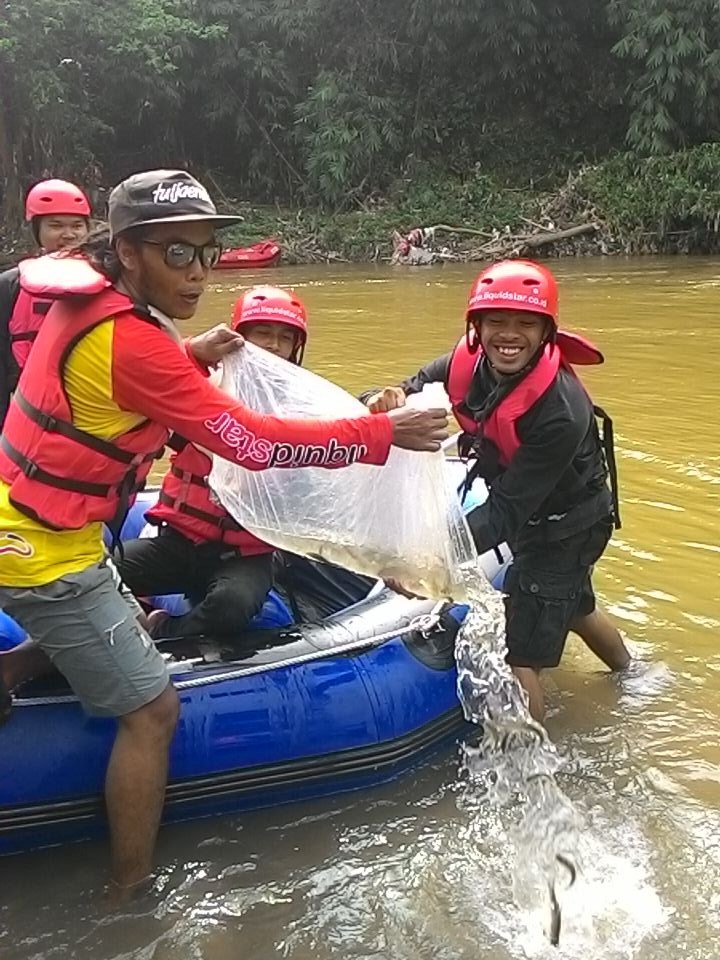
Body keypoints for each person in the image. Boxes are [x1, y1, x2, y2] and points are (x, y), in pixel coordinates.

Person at [0, 168, 448, 894]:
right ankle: (129, 895)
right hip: (43, 548)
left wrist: (188, 356)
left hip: (41, 523)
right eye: (178, 254)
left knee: (138, 619)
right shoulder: (133, 340)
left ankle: (12, 674)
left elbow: (110, 380)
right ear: (129, 251)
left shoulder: (99, 304)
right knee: (153, 710)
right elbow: (252, 443)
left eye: (208, 251)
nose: (199, 271)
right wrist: (383, 431)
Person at [362, 259, 631, 721]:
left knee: (519, 656)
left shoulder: (560, 411)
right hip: (540, 511)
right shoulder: (463, 364)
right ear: (477, 328)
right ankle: (633, 678)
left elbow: (505, 512)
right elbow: (408, 389)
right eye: (496, 323)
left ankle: (534, 774)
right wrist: (381, 401)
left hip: (569, 525)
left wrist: (422, 556)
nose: (509, 335)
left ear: (546, 332)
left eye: (526, 323)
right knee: (574, 605)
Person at [118, 285, 314, 639]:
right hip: (179, 543)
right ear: (240, 338)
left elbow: (348, 435)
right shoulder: (204, 390)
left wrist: (381, 407)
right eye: (263, 334)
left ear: (294, 349)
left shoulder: (304, 410)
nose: (273, 345)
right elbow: (154, 375)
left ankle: (165, 631)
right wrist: (194, 351)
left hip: (245, 555)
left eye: (284, 338)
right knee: (98, 575)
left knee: (231, 605)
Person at [0, 179, 92, 427]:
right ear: (37, 231)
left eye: (77, 226)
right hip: (30, 407)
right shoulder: (10, 285)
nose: (69, 234)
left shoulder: (107, 282)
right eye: (56, 226)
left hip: (89, 406)